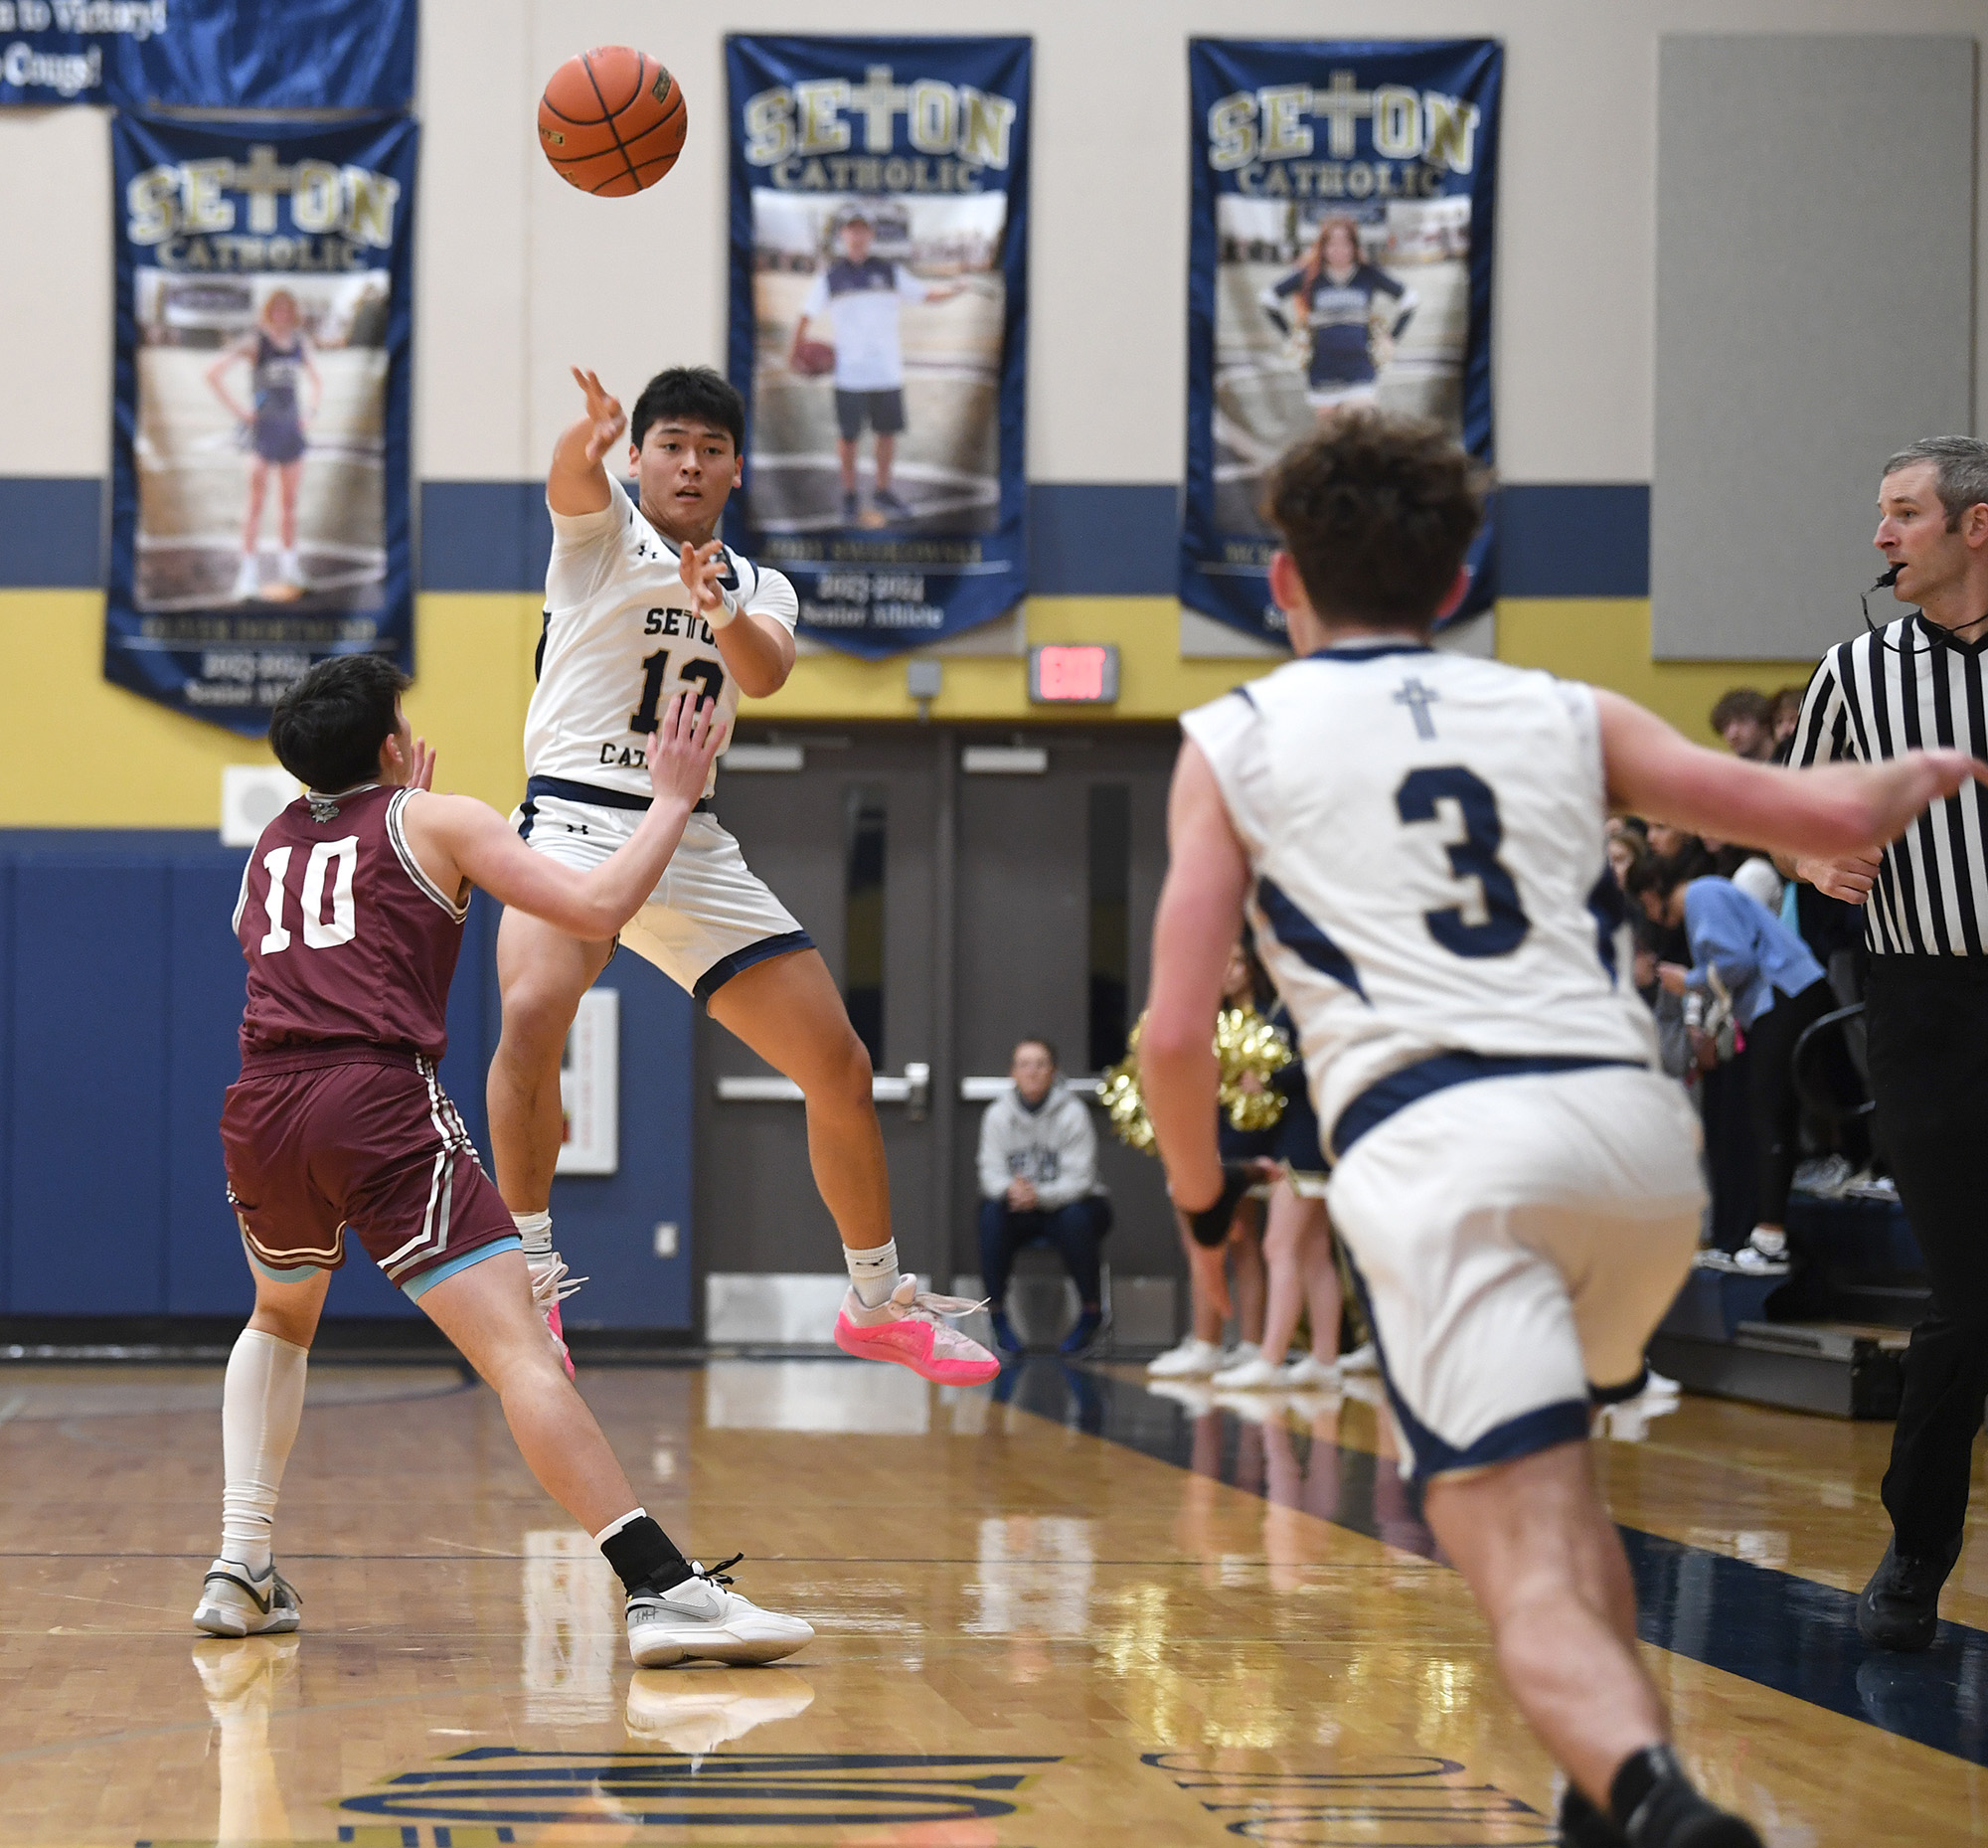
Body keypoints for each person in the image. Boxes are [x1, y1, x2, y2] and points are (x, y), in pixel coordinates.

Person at [1137, 408, 1980, 1848]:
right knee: (1557, 1476)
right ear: (1460, 580)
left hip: (1451, 1155)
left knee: (1503, 1545)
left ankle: (1661, 1805)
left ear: (1281, 580)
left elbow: (1171, 1037)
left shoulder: (1236, 736)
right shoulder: (1558, 705)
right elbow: (1793, 808)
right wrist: (1902, 785)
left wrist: (1210, 1213)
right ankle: (1607, 1796)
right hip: (1640, 1159)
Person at [200, 654, 811, 1671]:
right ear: (393, 744)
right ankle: (662, 1587)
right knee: (518, 1350)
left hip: (262, 1105)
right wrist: (666, 799)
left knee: (278, 1315)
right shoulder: (438, 820)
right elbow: (596, 903)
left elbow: (258, 936)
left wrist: (409, 839)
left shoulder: (269, 844)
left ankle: (240, 1565)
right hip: (373, 1098)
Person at [485, 364, 998, 1390]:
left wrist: (714, 606)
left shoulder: (760, 586)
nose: (688, 462)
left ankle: (873, 1298)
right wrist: (581, 443)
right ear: (639, 459)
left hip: (690, 836)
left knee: (840, 1067)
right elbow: (569, 486)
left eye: (709, 448)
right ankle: (530, 1275)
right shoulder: (601, 540)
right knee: (535, 1013)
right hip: (576, 816)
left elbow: (760, 670)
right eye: (669, 443)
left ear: (735, 469)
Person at [1790, 434, 1988, 1652]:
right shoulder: (1856, 673)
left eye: (1903, 513)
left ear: (1975, 527)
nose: (1879, 535)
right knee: (1966, 1295)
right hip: (1924, 1006)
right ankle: (1915, 1548)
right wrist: (1810, 858)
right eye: (1880, 515)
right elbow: (1788, 840)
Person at [1625, 856, 1837, 1272]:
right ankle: (1768, 1235)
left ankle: (1770, 1238)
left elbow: (1736, 962)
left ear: (1651, 894)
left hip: (1786, 995)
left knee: (1770, 1111)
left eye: (1644, 904)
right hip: (1783, 998)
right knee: (1770, 1111)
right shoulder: (1706, 896)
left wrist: (1686, 980)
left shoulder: (1702, 893)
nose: (1649, 915)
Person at [788, 206, 961, 526]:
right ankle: (850, 494)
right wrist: (795, 349)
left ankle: (882, 489)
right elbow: (805, 314)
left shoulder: (889, 271)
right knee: (848, 437)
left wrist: (954, 289)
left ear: (870, 235)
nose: (857, 235)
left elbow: (924, 294)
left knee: (886, 433)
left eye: (862, 229)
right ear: (843, 235)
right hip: (849, 374)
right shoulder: (832, 276)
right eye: (851, 229)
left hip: (885, 371)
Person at [1211, 1002, 1344, 1391]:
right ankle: (1325, 1358)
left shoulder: (1312, 998)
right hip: (1312, 1131)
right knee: (1315, 1250)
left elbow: (1320, 1061)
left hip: (1306, 1136)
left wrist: (1268, 1079)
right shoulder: (1293, 998)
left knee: (1279, 1246)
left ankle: (1270, 1358)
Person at [976, 1037, 1111, 1356]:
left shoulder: (1073, 1113)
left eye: (1040, 1064)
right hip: (1019, 1207)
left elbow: (1081, 1179)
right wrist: (1011, 1191)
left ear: (1054, 1071)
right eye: (1024, 1064)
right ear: (1013, 1073)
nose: (1032, 1072)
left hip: (1067, 1206)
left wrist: (1039, 1195)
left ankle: (1091, 1313)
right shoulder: (997, 1115)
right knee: (990, 1215)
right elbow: (989, 1173)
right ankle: (996, 1316)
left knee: (1077, 1217)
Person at [206, 288, 320, 602]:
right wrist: (241, 412)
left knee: (289, 504)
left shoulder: (298, 343)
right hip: (263, 432)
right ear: (269, 311)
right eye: (277, 308)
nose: (282, 313)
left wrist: (310, 412)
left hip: (291, 433)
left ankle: (290, 568)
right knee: (255, 504)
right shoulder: (257, 341)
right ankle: (247, 575)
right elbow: (213, 374)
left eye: (287, 308)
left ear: (293, 312)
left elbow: (316, 382)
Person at [1259, 216, 1415, 418]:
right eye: (1332, 243)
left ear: (1354, 246)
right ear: (1323, 247)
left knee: (1365, 428)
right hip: (1323, 369)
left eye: (1345, 243)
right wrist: (1291, 336)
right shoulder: (1310, 275)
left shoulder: (1368, 274)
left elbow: (1410, 299)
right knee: (1330, 441)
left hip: (1360, 367)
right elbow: (1268, 298)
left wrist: (1392, 338)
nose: (1339, 249)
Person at [1709, 689, 1775, 762]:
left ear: (1765, 724)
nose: (1732, 735)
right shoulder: (1730, 770)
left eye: (1742, 721)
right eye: (1725, 726)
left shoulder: (1788, 763)